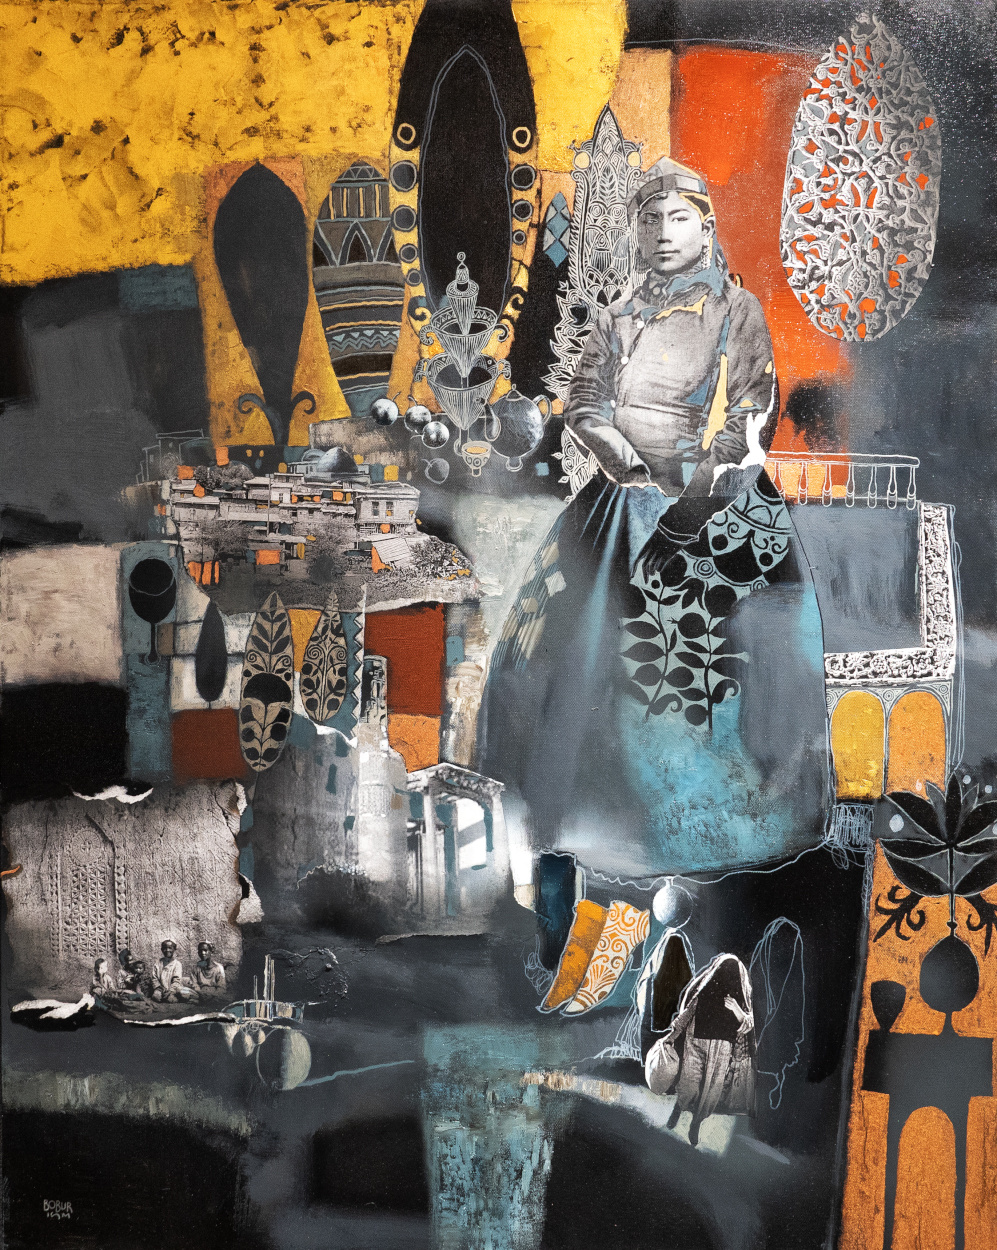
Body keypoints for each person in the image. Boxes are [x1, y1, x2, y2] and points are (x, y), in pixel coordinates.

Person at [478, 156, 829, 880]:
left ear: (705, 228)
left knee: (726, 650)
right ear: (635, 235)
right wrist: (628, 467)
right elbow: (584, 404)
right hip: (620, 496)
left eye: (678, 219)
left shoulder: (735, 310)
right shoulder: (615, 318)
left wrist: (694, 501)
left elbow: (753, 410)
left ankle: (712, 825)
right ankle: (574, 829)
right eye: (650, 221)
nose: (663, 233)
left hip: (713, 497)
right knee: (571, 648)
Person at [645, 952, 755, 1147]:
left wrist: (736, 1009)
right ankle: (679, 1107)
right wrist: (672, 1035)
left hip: (722, 1049)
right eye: (722, 971)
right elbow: (687, 1012)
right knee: (689, 1084)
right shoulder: (705, 989)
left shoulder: (740, 997)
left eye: (731, 974)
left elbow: (749, 1023)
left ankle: (696, 1123)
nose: (725, 978)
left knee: (711, 1092)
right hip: (695, 1043)